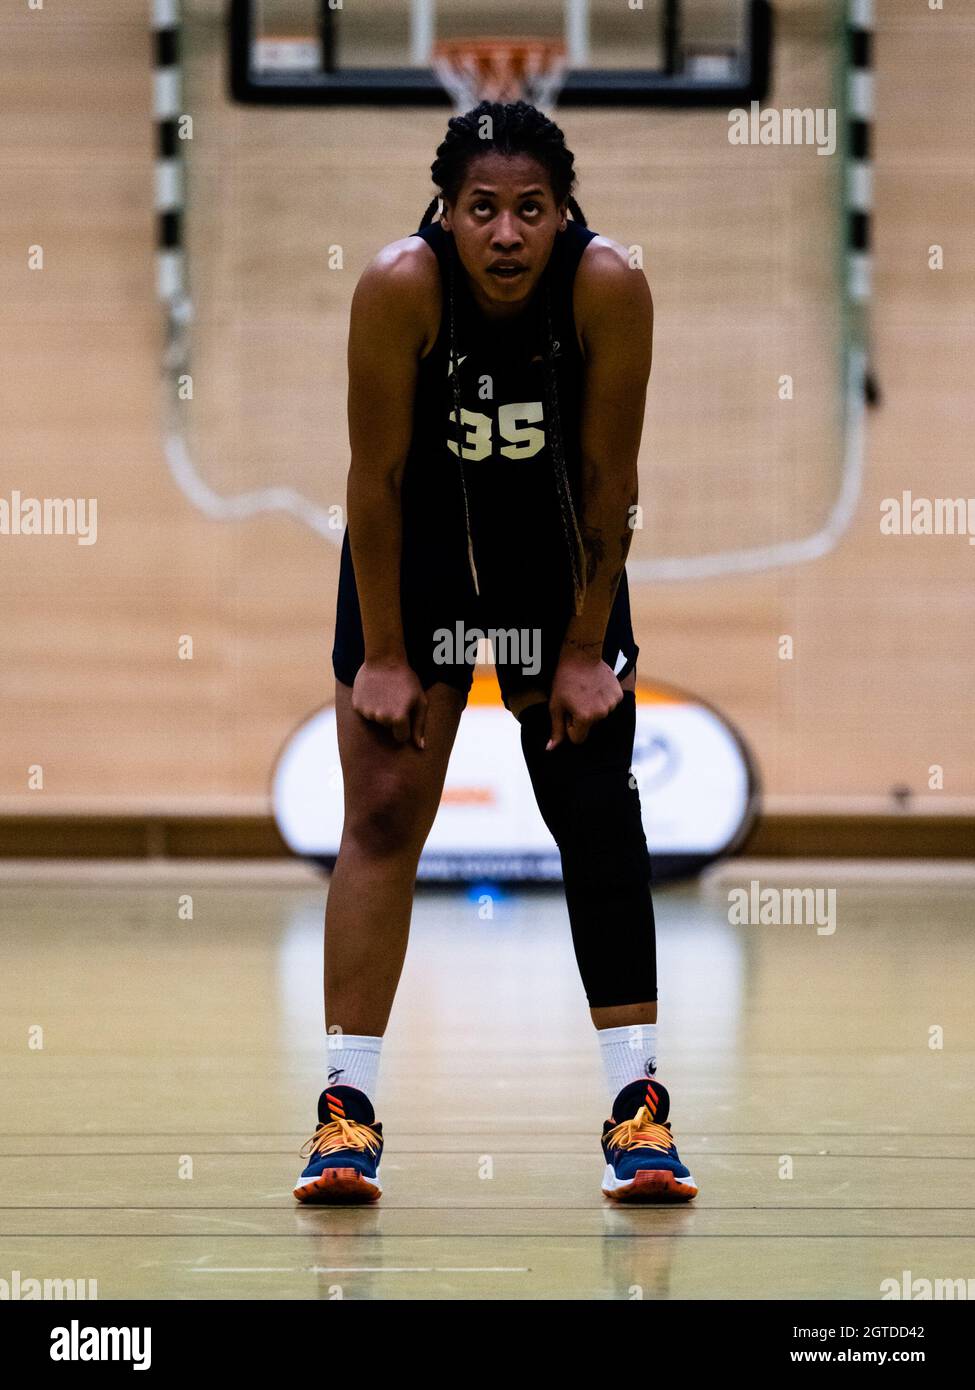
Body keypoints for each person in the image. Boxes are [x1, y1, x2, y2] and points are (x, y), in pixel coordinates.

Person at [293, 101, 696, 1206]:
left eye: (530, 209)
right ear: (448, 214)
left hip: (553, 569)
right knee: (379, 816)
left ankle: (640, 1110)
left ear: (563, 211)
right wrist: (383, 651)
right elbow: (371, 485)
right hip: (415, 574)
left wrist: (580, 648)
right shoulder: (399, 287)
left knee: (598, 812)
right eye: (484, 209)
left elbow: (613, 488)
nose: (508, 234)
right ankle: (344, 1112)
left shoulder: (607, 286)